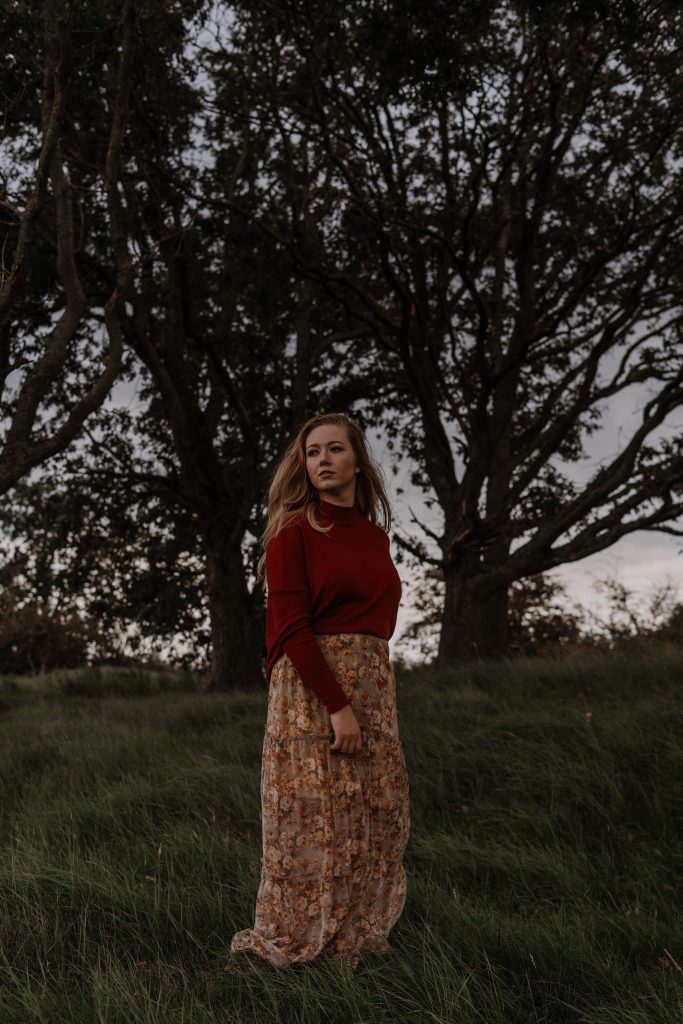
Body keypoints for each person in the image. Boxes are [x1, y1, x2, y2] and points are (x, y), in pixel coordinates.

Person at [228, 411, 410, 971]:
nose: (323, 460)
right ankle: (294, 941)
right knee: (313, 818)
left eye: (334, 450)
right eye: (312, 452)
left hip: (373, 684)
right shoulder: (294, 530)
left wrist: (364, 694)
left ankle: (354, 940)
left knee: (378, 814)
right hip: (312, 687)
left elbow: (377, 619)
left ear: (358, 461)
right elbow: (290, 626)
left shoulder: (375, 536)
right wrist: (337, 704)